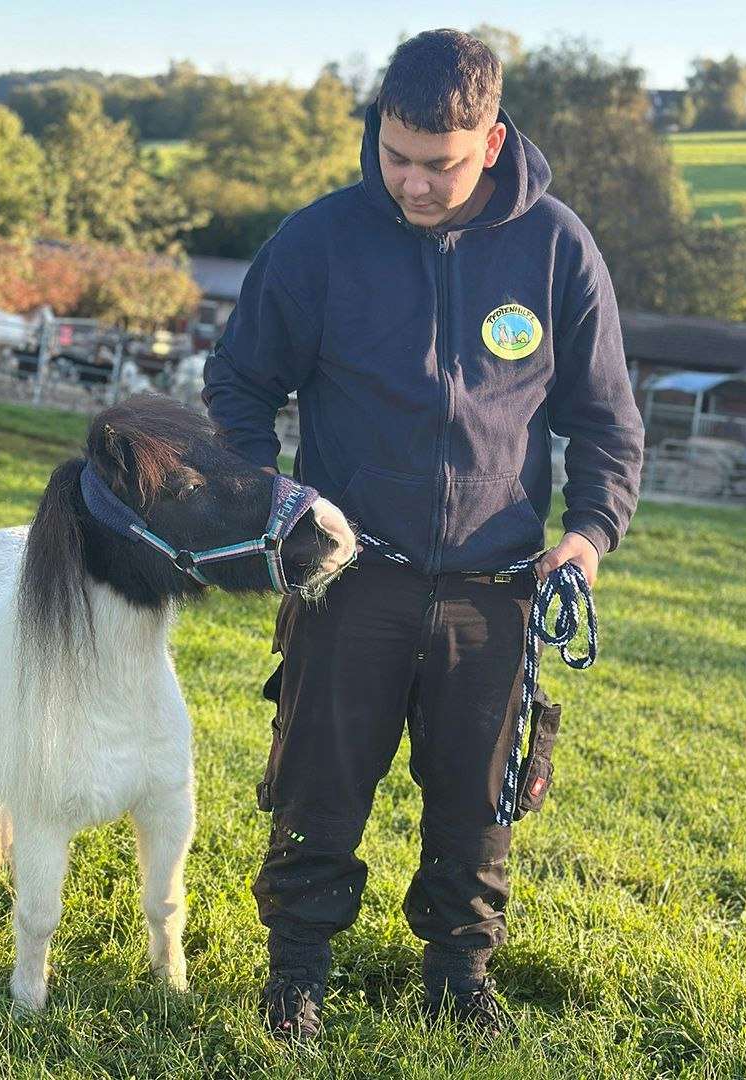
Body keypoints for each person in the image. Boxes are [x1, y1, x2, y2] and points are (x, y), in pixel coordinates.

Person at [202, 29, 644, 1041]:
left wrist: (587, 537)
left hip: (498, 588)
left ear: (490, 141)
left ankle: (458, 976)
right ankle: (297, 973)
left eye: (436, 164)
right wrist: (270, 492)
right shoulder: (318, 241)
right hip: (349, 575)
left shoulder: (557, 248)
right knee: (319, 778)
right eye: (393, 154)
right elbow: (239, 380)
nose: (409, 181)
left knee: (478, 807)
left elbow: (606, 420)